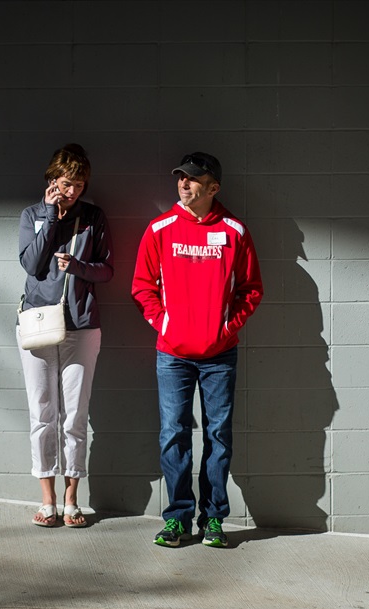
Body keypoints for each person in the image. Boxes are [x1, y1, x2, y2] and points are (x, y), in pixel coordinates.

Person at [130, 152, 263, 548]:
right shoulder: (160, 229)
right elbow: (142, 287)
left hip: (219, 355)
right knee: (174, 435)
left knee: (218, 436)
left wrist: (226, 328)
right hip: (173, 354)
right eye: (181, 177)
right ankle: (177, 519)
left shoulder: (234, 231)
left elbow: (251, 290)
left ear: (213, 187)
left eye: (192, 179)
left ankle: (214, 519)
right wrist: (166, 325)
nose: (183, 184)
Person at [17, 144, 113, 528]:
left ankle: (72, 499)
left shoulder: (93, 217)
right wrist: (49, 216)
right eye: (66, 183)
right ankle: (48, 500)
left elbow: (107, 270)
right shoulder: (32, 215)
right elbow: (30, 263)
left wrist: (78, 266)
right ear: (52, 179)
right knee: (42, 414)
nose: (72, 191)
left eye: (78, 184)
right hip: (39, 322)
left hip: (81, 325)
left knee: (75, 415)